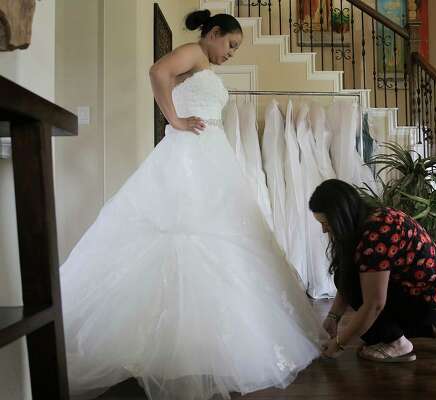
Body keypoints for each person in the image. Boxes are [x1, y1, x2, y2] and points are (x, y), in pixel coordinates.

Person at [60, 10, 324, 400]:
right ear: (213, 33)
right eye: (231, 44)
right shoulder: (193, 53)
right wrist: (175, 120)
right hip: (190, 153)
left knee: (217, 238)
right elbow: (157, 72)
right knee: (183, 234)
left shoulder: (202, 63)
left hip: (209, 154)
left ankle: (201, 344)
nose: (231, 53)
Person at [309, 179, 436, 362]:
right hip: (435, 293)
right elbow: (348, 276)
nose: (324, 230)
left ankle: (398, 345)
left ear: (341, 216)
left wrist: (339, 344)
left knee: (361, 300)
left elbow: (374, 304)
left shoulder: (376, 233)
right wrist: (333, 317)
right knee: (345, 277)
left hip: (430, 299)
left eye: (326, 223)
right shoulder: (371, 218)